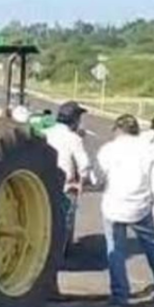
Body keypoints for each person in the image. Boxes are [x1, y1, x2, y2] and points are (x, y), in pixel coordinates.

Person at [96, 114, 154, 306]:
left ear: (117, 129)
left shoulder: (108, 150)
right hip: (140, 206)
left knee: (115, 249)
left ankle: (120, 294)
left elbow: (99, 178)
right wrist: (152, 201)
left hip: (114, 205)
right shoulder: (149, 149)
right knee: (152, 246)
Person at [43, 101, 94, 255]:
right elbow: (84, 164)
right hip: (65, 185)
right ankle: (62, 252)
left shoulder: (46, 133)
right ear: (74, 120)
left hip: (44, 183)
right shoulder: (73, 139)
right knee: (65, 220)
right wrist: (83, 181)